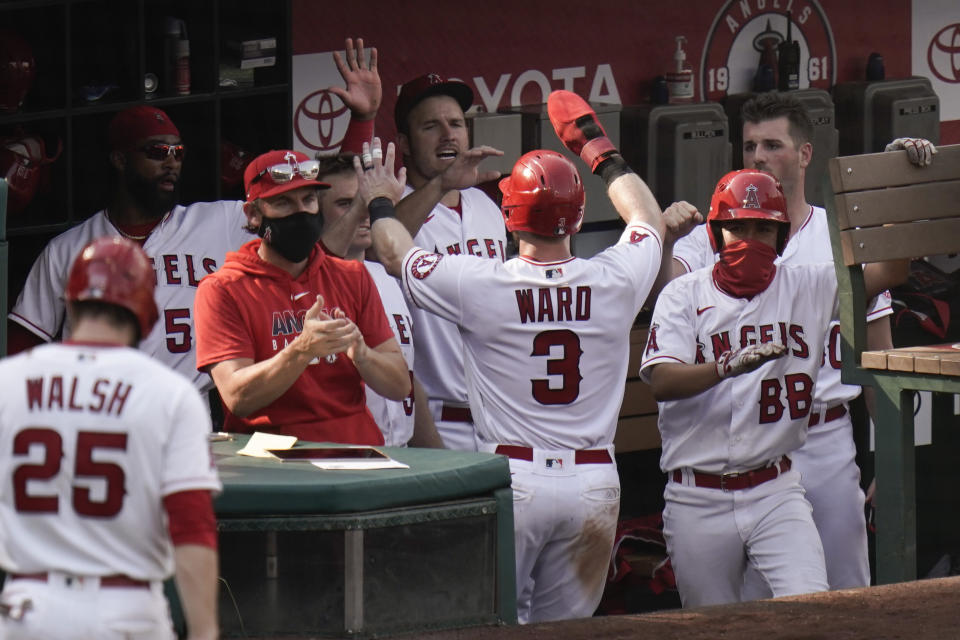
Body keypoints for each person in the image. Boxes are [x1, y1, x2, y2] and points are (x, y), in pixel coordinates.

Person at [361, 89, 697, 622]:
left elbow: (392, 250)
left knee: (493, 623)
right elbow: (647, 220)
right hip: (594, 484)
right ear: (579, 218)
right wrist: (598, 150)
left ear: (509, 218)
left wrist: (381, 199)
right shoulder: (611, 278)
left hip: (512, 481)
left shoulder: (482, 283)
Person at [667, 91, 937, 593]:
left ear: (805, 153)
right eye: (750, 147)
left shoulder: (837, 235)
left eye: (773, 145)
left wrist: (893, 461)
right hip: (741, 441)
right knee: (757, 607)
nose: (759, 158)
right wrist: (661, 236)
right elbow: (668, 287)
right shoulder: (715, 235)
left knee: (847, 590)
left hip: (824, 434)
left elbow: (877, 353)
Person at [7, 37, 381, 395]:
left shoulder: (219, 223)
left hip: (193, 411)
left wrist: (362, 120)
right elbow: (21, 348)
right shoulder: (69, 250)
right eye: (156, 152)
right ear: (120, 160)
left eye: (178, 152)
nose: (171, 162)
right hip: (102, 412)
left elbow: (314, 205)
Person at [640, 168, 909, 608]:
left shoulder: (808, 283)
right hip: (697, 495)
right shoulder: (683, 293)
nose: (749, 238)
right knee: (715, 626)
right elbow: (662, 381)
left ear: (781, 236)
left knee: (809, 608)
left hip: (775, 488)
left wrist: (899, 182)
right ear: (716, 233)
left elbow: (891, 269)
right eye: (737, 227)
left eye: (762, 228)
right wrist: (723, 367)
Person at [0, 236, 220, 639]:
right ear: (146, 315)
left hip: (29, 608)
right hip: (126, 612)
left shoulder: (7, 382)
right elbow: (191, 525)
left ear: (71, 303)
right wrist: (204, 631)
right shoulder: (169, 394)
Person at [192, 148, 410, 444]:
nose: (301, 212)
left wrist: (363, 354)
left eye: (308, 200)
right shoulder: (222, 289)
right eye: (283, 202)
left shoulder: (352, 276)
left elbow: (399, 385)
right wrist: (302, 350)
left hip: (357, 450)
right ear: (253, 214)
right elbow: (237, 397)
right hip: (272, 458)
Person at [390, 73, 507, 451]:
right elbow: (383, 245)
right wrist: (440, 185)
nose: (448, 135)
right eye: (431, 126)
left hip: (502, 415)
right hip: (435, 419)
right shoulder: (395, 209)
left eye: (455, 123)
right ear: (405, 144)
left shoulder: (486, 207)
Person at [315, 152, 443, 447]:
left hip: (399, 449)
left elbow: (407, 377)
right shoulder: (308, 284)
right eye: (345, 203)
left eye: (368, 201)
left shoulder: (389, 277)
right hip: (344, 452)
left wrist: (435, 451)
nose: (362, 212)